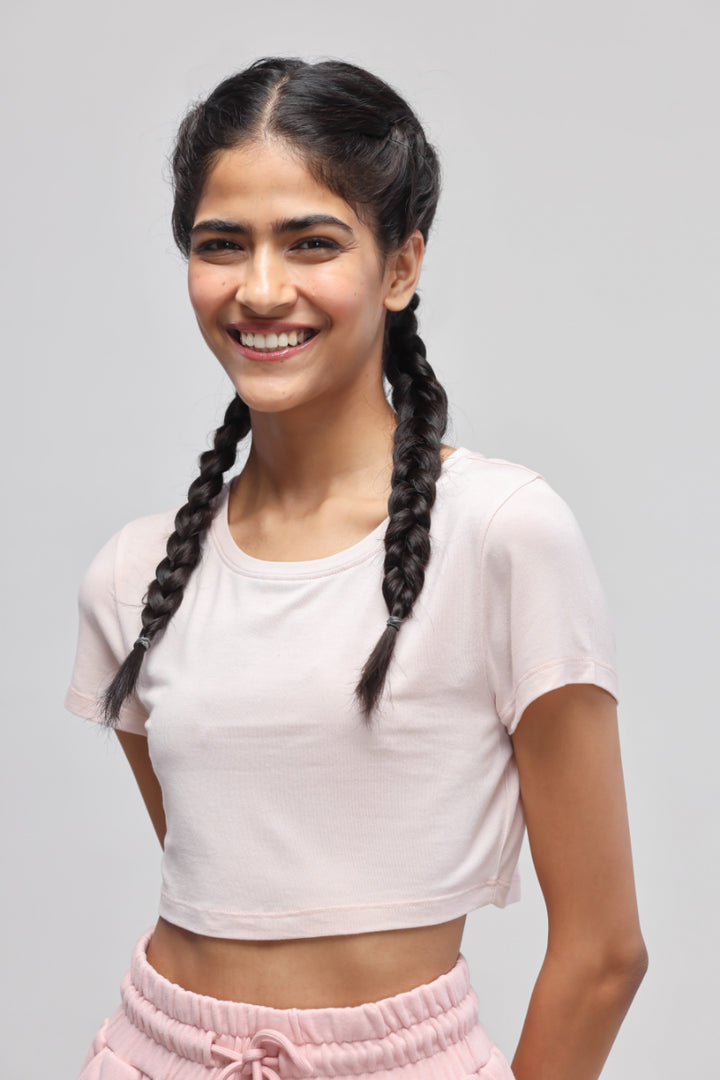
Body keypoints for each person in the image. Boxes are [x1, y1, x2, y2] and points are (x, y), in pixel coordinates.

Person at [65, 57, 647, 1080]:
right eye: (221, 245)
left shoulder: (503, 534)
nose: (260, 288)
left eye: (311, 243)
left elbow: (604, 954)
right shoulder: (134, 578)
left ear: (400, 266)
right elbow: (229, 877)